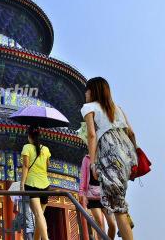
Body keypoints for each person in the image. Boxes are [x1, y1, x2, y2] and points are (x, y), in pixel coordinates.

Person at [81, 77, 137, 240]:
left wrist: (93, 163)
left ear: (93, 91)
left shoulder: (89, 107)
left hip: (110, 155)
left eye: (87, 89)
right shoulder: (117, 108)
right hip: (127, 154)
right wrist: (134, 157)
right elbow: (131, 133)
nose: (85, 93)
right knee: (119, 202)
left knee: (118, 209)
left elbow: (91, 135)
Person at [20, 127, 51, 240]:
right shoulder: (46, 149)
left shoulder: (27, 147)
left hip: (32, 184)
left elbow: (25, 166)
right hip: (45, 185)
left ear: (29, 136)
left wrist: (22, 184)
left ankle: (46, 239)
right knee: (40, 216)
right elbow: (47, 166)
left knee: (38, 215)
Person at [79, 154, 116, 239]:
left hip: (105, 195)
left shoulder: (106, 156)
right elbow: (83, 175)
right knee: (99, 222)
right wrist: (81, 192)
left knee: (112, 225)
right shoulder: (87, 158)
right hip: (92, 195)